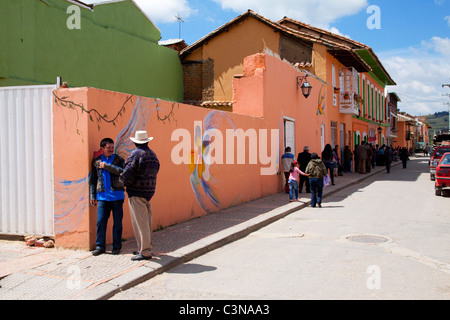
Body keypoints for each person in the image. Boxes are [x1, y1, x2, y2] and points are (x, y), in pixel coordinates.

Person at [120, 131, 160, 261]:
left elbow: (128, 173)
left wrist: (121, 181)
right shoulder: (153, 155)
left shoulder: (136, 154)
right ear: (147, 141)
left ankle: (145, 251)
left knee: (140, 223)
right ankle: (145, 247)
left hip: (136, 192)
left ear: (135, 142)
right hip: (148, 192)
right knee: (146, 222)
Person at [89, 138, 125, 256]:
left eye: (112, 147)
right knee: (100, 222)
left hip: (117, 196)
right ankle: (100, 246)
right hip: (102, 197)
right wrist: (92, 195)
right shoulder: (96, 161)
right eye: (108, 147)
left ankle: (116, 246)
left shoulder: (119, 160)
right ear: (102, 149)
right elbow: (93, 179)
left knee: (117, 223)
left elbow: (122, 171)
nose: (110, 149)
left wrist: (107, 166)